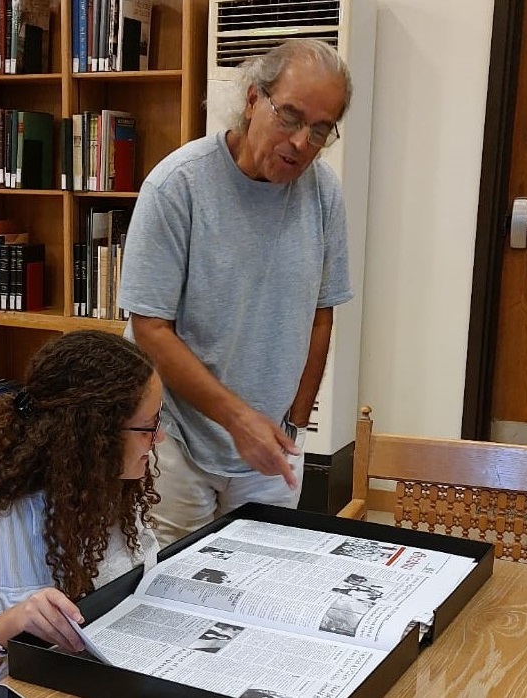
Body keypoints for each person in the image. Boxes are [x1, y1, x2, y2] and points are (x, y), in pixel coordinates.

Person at [117, 38, 354, 546]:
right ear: (252, 100)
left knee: (259, 580)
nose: (300, 143)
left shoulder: (324, 194)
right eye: (290, 117)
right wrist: (237, 418)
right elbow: (150, 328)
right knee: (167, 588)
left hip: (269, 440)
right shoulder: (178, 186)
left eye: (320, 130)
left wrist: (295, 421)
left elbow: (321, 313)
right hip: (173, 434)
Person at [0, 330, 164, 698]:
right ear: (95, 436)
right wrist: (7, 626)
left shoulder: (113, 497)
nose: (159, 438)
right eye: (149, 427)